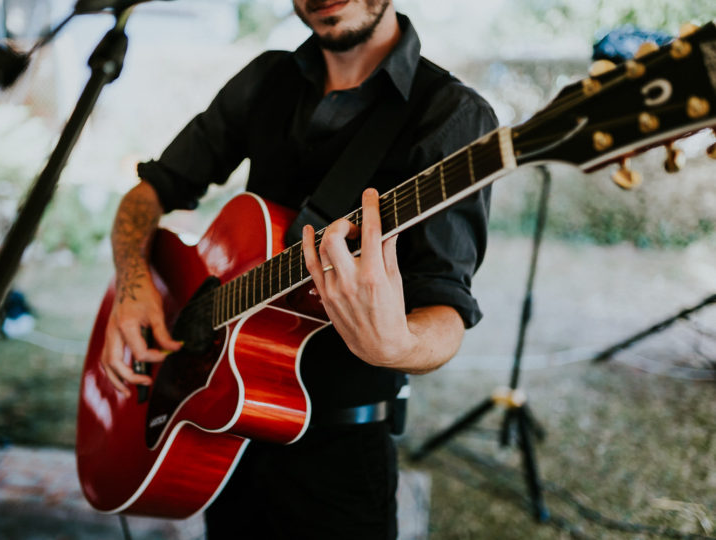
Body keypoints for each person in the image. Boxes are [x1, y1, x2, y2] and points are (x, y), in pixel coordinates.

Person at [100, 0, 497, 537]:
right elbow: (147, 194)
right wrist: (132, 285)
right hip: (224, 433)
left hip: (338, 462)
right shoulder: (268, 79)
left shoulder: (450, 115)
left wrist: (398, 347)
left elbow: (446, 308)